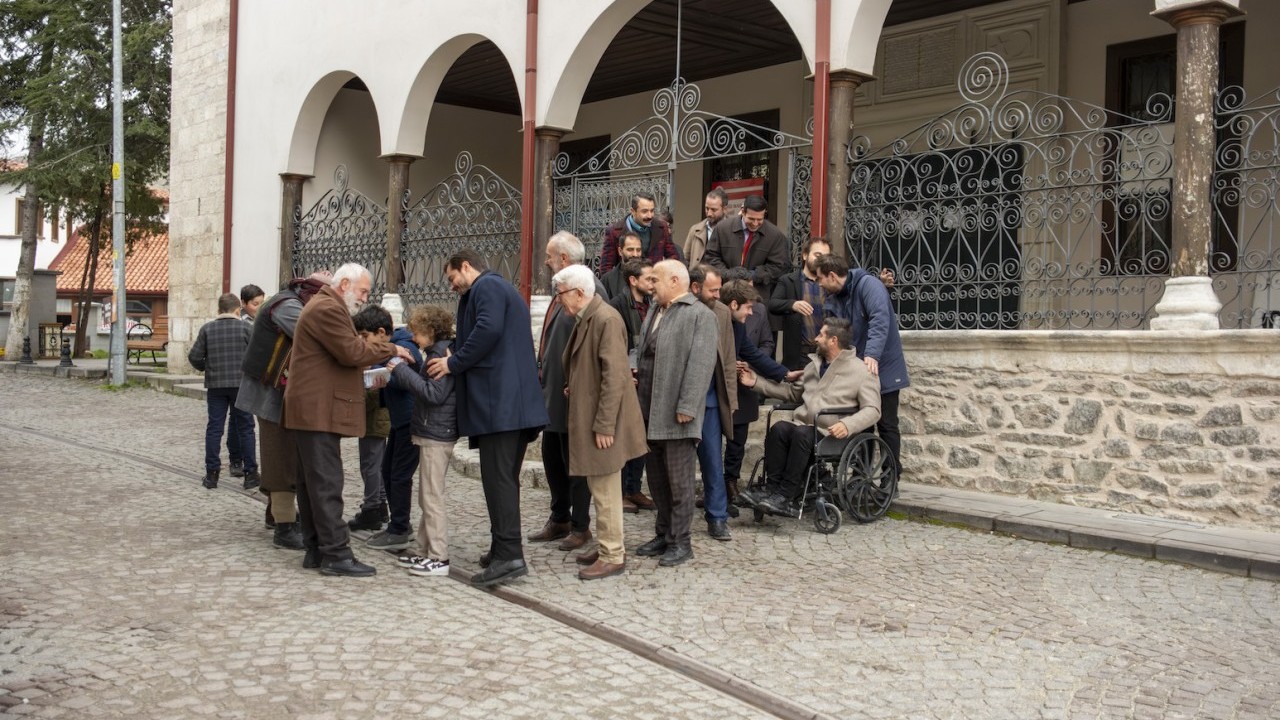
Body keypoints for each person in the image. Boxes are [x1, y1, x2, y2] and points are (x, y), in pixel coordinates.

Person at [427, 250, 548, 587]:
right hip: (506, 407)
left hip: (503, 407)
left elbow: (488, 330)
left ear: (467, 267)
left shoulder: (488, 287)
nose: (452, 286)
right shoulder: (494, 290)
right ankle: (501, 547)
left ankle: (509, 555)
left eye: (452, 278)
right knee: (500, 480)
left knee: (500, 482)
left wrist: (453, 362)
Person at [283, 263, 409, 577]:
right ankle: (337, 554)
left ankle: (316, 549)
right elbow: (351, 352)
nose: (365, 298)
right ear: (344, 284)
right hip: (317, 410)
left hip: (310, 409)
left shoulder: (323, 305)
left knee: (312, 483)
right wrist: (392, 347)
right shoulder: (328, 308)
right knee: (326, 483)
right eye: (363, 291)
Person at [552, 265, 648, 580]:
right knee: (599, 486)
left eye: (562, 293)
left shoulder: (605, 319)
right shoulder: (588, 316)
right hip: (593, 415)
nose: (559, 300)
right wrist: (574, 384)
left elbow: (615, 377)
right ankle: (608, 544)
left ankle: (612, 553)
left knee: (606, 488)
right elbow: (590, 365)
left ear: (580, 292)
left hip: (604, 421)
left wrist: (605, 425)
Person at [737, 317, 881, 517]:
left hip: (830, 432)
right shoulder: (813, 365)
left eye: (821, 334)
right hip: (803, 426)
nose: (815, 338)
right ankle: (771, 491)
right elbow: (792, 394)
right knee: (779, 428)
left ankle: (786, 496)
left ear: (834, 341)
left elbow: (873, 409)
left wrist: (847, 425)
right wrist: (756, 382)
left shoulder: (861, 371)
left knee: (802, 434)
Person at [236, 272, 330, 550]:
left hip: (282, 392)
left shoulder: (293, 302)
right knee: (280, 457)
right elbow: (318, 336)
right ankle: (284, 526)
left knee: (286, 455)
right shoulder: (288, 306)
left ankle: (275, 515)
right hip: (271, 394)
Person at [633, 260, 718, 567]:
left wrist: (687, 406)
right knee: (656, 480)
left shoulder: (700, 315)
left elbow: (701, 364)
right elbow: (644, 349)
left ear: (674, 280)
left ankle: (681, 542)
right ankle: (664, 533)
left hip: (677, 413)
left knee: (680, 482)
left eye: (655, 279)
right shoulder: (656, 310)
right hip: (648, 409)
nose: (650, 284)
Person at [531, 232, 604, 553]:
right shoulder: (562, 286)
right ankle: (559, 517)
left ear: (563, 258)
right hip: (553, 395)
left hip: (573, 396)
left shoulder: (589, 290)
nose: (545, 261)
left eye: (549, 255)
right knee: (553, 459)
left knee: (574, 464)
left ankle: (580, 526)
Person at [816, 254, 910, 479]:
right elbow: (836, 334)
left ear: (832, 275)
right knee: (862, 425)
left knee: (887, 424)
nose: (818, 283)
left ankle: (890, 479)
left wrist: (872, 355)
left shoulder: (869, 285)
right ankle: (861, 478)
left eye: (820, 278)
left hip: (883, 365)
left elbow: (880, 319)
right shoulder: (833, 296)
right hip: (857, 369)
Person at [386, 305, 458, 577]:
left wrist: (400, 371)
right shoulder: (436, 352)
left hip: (436, 433)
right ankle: (423, 551)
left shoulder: (439, 353)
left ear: (429, 331)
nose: (414, 339)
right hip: (433, 430)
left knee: (431, 496)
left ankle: (438, 557)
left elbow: (434, 394)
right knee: (426, 495)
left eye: (417, 333)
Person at [358, 305, 424, 553]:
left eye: (366, 337)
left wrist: (381, 378)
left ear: (382, 332)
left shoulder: (405, 348)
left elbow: (406, 375)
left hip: (411, 421)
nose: (363, 343)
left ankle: (399, 528)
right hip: (399, 421)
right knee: (388, 472)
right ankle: (396, 525)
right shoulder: (391, 348)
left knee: (399, 476)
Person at [719, 279, 790, 510]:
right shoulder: (715, 321)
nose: (751, 312)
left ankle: (730, 483)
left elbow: (753, 353)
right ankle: (717, 491)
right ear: (733, 305)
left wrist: (785, 374)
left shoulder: (738, 326)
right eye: (748, 307)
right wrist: (731, 364)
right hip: (716, 393)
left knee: (737, 444)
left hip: (740, 392)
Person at [687, 264, 737, 541]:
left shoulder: (721, 313)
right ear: (695, 288)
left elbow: (728, 359)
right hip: (682, 401)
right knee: (678, 463)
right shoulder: (679, 308)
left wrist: (731, 399)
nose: (718, 295)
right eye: (713, 290)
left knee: (712, 462)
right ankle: (671, 518)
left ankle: (717, 517)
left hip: (711, 401)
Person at [188, 293, 256, 491]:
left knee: (215, 428)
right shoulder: (246, 328)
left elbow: (194, 357)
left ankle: (212, 474)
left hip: (216, 386)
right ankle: (250, 474)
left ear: (218, 310)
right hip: (241, 385)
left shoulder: (207, 329)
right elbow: (256, 354)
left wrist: (206, 368)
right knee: (246, 428)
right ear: (238, 310)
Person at [605, 259, 657, 513]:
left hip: (647, 381)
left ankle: (634, 488)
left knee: (641, 437)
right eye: (649, 278)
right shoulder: (617, 306)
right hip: (628, 379)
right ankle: (620, 491)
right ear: (633, 280)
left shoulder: (652, 305)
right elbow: (615, 345)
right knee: (624, 437)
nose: (653, 283)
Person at [702, 194, 791, 332]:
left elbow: (779, 267)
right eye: (751, 219)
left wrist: (753, 276)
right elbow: (711, 257)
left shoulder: (775, 235)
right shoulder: (723, 229)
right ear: (742, 211)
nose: (755, 224)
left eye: (759, 220)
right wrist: (729, 274)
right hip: (725, 296)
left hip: (757, 299)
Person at [768, 236, 831, 371]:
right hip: (800, 354)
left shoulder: (831, 282)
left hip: (827, 352)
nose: (821, 260)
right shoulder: (788, 280)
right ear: (805, 255)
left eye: (825, 256)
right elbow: (773, 304)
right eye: (817, 255)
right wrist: (792, 304)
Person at [227, 283, 266, 481]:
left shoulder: (259, 320)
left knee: (242, 419)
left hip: (252, 376)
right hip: (238, 376)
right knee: (239, 420)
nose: (259, 307)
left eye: (261, 303)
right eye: (255, 303)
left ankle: (241, 459)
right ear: (243, 303)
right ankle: (237, 459)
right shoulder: (240, 323)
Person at [346, 374, 390, 533]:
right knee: (375, 466)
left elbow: (373, 398)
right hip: (375, 423)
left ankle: (372, 509)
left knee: (370, 467)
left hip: (373, 423)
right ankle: (381, 507)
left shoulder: (377, 373)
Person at [598, 191, 679, 274]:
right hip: (626, 284)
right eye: (645, 211)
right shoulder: (614, 231)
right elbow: (606, 267)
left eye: (652, 211)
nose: (650, 215)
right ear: (633, 211)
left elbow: (673, 258)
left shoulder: (661, 227)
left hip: (653, 282)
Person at [682, 187, 730, 266]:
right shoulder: (695, 230)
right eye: (707, 208)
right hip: (696, 277)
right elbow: (685, 259)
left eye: (714, 210)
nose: (709, 213)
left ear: (724, 209)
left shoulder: (732, 230)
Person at [600, 231, 644, 300]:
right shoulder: (608, 280)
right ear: (620, 251)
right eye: (630, 250)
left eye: (638, 250)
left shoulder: (650, 277)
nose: (635, 254)